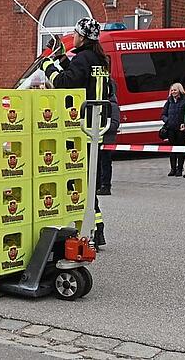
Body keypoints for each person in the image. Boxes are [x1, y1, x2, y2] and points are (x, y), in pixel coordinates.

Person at [36, 17, 109, 248]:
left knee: (79, 181)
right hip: (96, 126)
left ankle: (88, 230)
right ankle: (97, 229)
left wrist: (47, 66)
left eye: (76, 33)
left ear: (83, 37)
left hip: (82, 128)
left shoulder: (84, 58)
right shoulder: (99, 59)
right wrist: (62, 60)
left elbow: (65, 84)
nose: (73, 36)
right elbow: (82, 78)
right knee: (89, 180)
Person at [96, 81, 121, 196]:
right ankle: (98, 184)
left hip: (107, 139)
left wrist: (100, 128)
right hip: (98, 138)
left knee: (105, 163)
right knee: (98, 163)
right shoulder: (100, 103)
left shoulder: (112, 105)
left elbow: (114, 124)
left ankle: (106, 186)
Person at [161, 83, 185, 176]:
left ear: (179, 90)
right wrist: (167, 121)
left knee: (180, 148)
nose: (173, 92)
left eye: (175, 90)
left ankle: (180, 169)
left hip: (181, 129)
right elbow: (163, 114)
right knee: (172, 149)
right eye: (172, 90)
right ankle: (173, 169)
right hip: (171, 128)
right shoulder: (169, 101)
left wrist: (184, 124)